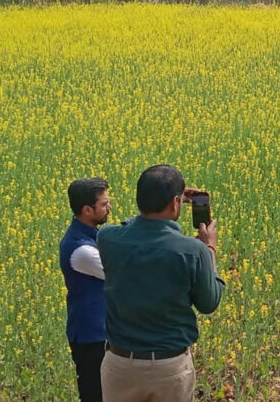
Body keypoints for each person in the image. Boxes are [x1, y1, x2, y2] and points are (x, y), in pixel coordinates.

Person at [97, 164, 225, 402]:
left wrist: (170, 199)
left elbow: (131, 228)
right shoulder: (192, 250)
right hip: (169, 368)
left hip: (120, 365)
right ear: (176, 202)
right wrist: (209, 248)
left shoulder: (107, 239)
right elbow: (209, 303)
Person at [59, 177, 112, 402]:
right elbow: (123, 273)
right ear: (87, 210)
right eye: (104, 204)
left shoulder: (90, 236)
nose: (109, 208)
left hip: (99, 333)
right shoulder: (81, 250)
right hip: (91, 339)